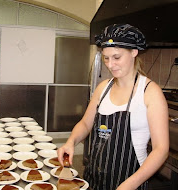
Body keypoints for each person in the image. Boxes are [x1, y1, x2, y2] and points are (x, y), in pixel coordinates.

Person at [57, 24, 169, 190]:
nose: (110, 64)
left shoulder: (149, 92)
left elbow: (161, 149)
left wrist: (128, 186)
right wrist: (71, 142)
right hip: (94, 177)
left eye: (116, 57)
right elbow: (86, 124)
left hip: (130, 180)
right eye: (106, 58)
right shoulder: (103, 87)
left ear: (134, 52)